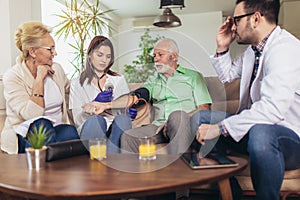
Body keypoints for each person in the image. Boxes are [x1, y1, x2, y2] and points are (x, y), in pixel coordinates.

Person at [191, 0, 300, 199]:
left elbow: (272, 111)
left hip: (290, 139)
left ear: (256, 18)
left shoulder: (285, 49)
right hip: (253, 131)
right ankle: (231, 190)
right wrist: (222, 46)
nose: (233, 26)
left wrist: (221, 128)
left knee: (262, 133)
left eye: (236, 20)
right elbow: (228, 76)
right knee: (200, 118)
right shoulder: (253, 51)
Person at [117, 38, 212, 154]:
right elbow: (138, 95)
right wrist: (109, 104)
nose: (156, 59)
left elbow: (205, 108)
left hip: (183, 125)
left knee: (177, 116)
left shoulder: (193, 77)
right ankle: (132, 172)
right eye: (154, 55)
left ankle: (180, 170)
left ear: (174, 57)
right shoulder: (152, 80)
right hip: (157, 128)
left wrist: (172, 120)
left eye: (160, 55)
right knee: (128, 137)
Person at [1, 21, 80, 154]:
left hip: (57, 130)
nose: (55, 53)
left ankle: (51, 168)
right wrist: (39, 79)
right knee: (42, 125)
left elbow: (72, 92)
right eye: (50, 49)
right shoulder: (13, 76)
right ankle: (44, 170)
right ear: (32, 51)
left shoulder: (56, 69)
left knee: (70, 131)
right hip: (25, 135)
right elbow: (32, 115)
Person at [69, 36, 135, 153]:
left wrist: (127, 112)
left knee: (123, 120)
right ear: (89, 54)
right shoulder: (77, 83)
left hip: (114, 130)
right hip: (91, 130)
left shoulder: (118, 80)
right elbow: (77, 120)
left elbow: (123, 109)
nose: (104, 60)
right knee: (97, 120)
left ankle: (112, 163)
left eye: (108, 57)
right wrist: (92, 106)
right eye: (99, 55)